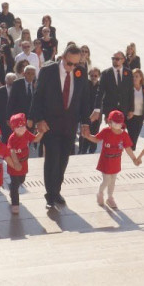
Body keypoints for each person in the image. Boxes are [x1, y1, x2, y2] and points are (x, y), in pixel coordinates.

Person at [28, 43, 93, 209]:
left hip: (70, 125)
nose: (72, 67)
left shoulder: (80, 73)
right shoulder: (48, 71)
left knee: (63, 160)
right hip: (50, 125)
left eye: (76, 64)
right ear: (63, 58)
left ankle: (56, 190)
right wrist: (39, 120)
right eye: (69, 63)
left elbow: (85, 99)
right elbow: (38, 97)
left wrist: (85, 122)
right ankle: (50, 195)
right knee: (52, 159)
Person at [85, 109, 140, 207]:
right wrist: (88, 136)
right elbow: (97, 139)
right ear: (109, 122)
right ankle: (100, 193)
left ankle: (110, 197)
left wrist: (134, 159)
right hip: (106, 161)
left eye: (119, 123)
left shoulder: (124, 135)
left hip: (116, 161)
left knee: (113, 180)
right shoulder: (106, 131)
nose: (117, 126)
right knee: (106, 180)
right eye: (115, 123)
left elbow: (128, 148)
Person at [6, 113, 44, 215]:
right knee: (15, 184)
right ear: (13, 128)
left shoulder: (26, 133)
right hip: (14, 165)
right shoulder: (12, 138)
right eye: (18, 127)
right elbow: (11, 151)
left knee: (21, 180)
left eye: (23, 126)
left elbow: (35, 139)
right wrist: (16, 163)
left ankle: (12, 188)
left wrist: (41, 132)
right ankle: (15, 204)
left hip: (24, 163)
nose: (21, 128)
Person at [126, 68, 144, 146]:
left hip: (140, 116)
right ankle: (131, 150)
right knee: (131, 136)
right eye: (133, 76)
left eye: (136, 76)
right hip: (130, 116)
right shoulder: (129, 88)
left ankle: (131, 150)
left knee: (135, 136)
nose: (134, 78)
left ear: (141, 77)